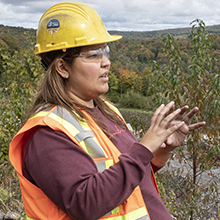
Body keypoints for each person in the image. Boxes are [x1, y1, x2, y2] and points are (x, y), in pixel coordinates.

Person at [9, 1, 206, 220]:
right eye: (94, 54)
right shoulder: (46, 134)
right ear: (62, 67)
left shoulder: (106, 110)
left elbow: (127, 173)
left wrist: (162, 149)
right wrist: (145, 146)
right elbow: (86, 203)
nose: (107, 63)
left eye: (106, 52)